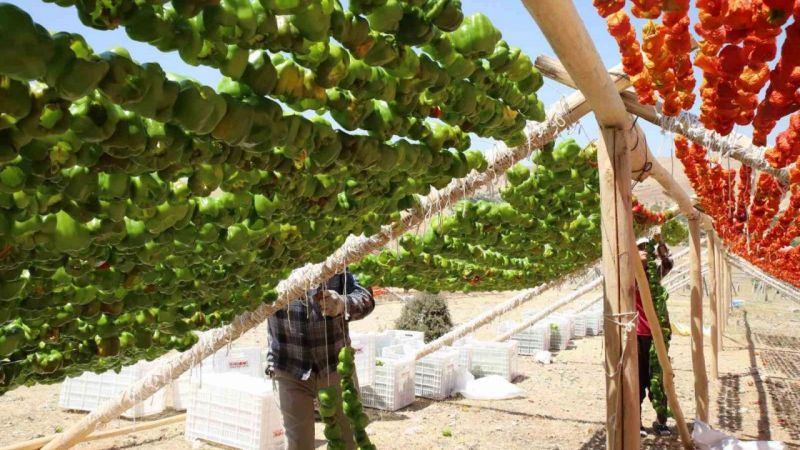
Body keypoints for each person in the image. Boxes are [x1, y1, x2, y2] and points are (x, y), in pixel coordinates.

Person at [267, 269, 375, 450]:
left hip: (335, 365)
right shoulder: (270, 257)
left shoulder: (339, 254)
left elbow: (366, 297)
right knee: (297, 444)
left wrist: (342, 304)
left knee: (348, 439)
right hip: (288, 364)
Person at [635, 235, 673, 437]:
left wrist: (661, 246)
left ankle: (661, 421)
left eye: (646, 249)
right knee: (637, 380)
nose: (643, 252)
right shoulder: (627, 277)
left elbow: (668, 264)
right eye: (640, 248)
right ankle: (636, 422)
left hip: (657, 335)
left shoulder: (654, 274)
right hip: (635, 336)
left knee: (658, 378)